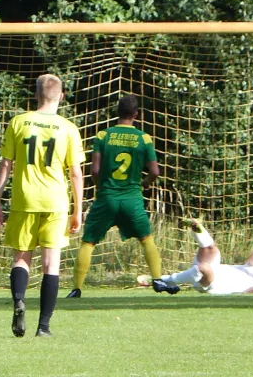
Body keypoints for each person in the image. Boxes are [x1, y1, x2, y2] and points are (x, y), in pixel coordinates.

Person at [0, 74, 85, 337]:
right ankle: (44, 327)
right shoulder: (68, 128)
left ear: (35, 96)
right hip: (55, 201)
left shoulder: (19, 122)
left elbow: (6, 164)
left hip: (24, 198)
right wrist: (78, 209)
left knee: (21, 259)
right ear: (61, 97)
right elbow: (76, 172)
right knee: (51, 265)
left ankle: (19, 299)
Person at [66, 94, 180, 298]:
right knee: (146, 239)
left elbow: (94, 169)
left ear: (117, 112)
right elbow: (155, 172)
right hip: (132, 199)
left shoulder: (103, 136)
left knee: (88, 242)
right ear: (136, 114)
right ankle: (157, 279)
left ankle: (76, 289)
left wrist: (101, 188)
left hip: (107, 197)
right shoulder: (143, 138)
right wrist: (143, 185)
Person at [147, 219, 253, 295]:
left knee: (204, 267)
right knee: (212, 250)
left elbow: (248, 292)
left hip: (212, 284)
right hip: (213, 268)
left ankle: (166, 279)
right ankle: (197, 229)